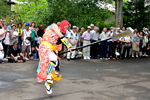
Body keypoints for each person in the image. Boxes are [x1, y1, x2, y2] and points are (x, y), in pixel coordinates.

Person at [37, 20, 72, 95]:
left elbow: (59, 43)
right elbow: (59, 34)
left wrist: (68, 47)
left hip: (51, 50)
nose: (66, 28)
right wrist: (68, 45)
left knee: (57, 68)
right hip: (45, 48)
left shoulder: (61, 34)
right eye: (66, 26)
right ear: (63, 25)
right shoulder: (54, 26)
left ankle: (48, 84)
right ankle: (49, 77)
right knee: (53, 58)